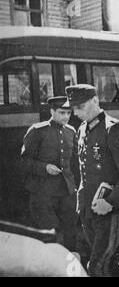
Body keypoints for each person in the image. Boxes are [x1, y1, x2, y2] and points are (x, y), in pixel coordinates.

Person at [66, 84, 119, 277]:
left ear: (95, 101)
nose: (76, 113)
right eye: (73, 108)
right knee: (109, 265)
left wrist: (110, 202)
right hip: (89, 209)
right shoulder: (82, 129)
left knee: (98, 266)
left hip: (109, 210)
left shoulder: (112, 129)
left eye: (80, 107)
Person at [21, 96, 78, 252]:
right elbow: (25, 161)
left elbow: (75, 162)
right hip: (43, 192)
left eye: (68, 113)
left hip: (66, 192)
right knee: (49, 233)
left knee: (70, 230)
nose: (66, 116)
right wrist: (44, 167)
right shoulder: (37, 130)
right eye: (62, 113)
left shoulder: (71, 131)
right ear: (52, 111)